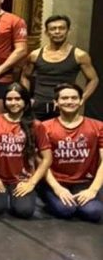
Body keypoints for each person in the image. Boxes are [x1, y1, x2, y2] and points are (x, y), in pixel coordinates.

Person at [0, 84, 52, 219]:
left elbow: (47, 158)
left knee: (24, 211)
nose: (13, 102)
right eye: (9, 99)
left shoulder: (36, 125)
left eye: (18, 99)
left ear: (25, 101)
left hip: (22, 178)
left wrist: (32, 182)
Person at [41, 83, 103, 222]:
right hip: (56, 181)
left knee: (94, 212)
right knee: (66, 210)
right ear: (56, 103)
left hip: (84, 182)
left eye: (74, 98)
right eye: (64, 98)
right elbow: (41, 162)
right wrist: (57, 188)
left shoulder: (98, 127)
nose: (69, 101)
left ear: (81, 101)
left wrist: (93, 190)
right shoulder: (45, 127)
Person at [21, 15, 99, 121]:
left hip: (64, 105)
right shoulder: (35, 55)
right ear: (46, 32)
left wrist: (81, 99)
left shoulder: (79, 55)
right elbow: (25, 76)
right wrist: (26, 99)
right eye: (53, 29)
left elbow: (94, 79)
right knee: (34, 131)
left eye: (61, 28)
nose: (57, 32)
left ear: (68, 31)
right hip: (38, 105)